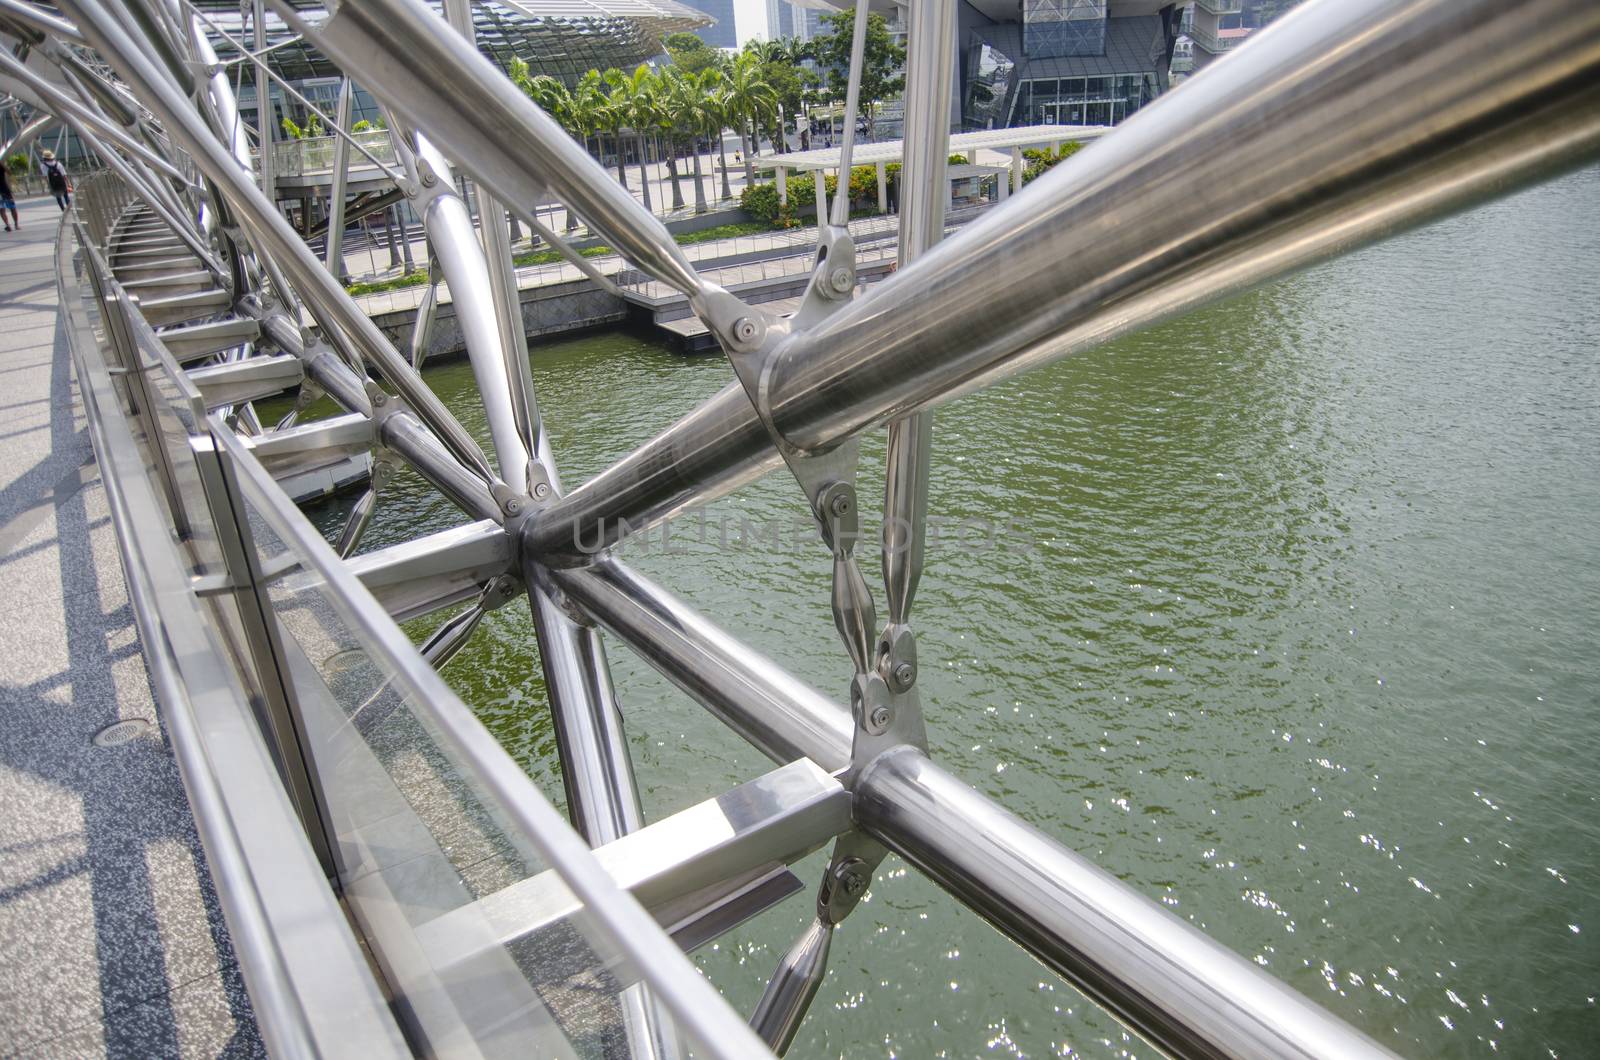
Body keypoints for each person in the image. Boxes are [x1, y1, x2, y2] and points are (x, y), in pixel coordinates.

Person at [0, 161, 17, 232]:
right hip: (4, 191)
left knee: (12, 208)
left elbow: (9, 173)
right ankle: (8, 225)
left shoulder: (1, 166)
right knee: (2, 209)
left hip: (5, 190)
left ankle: (16, 224)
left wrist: (2, 164)